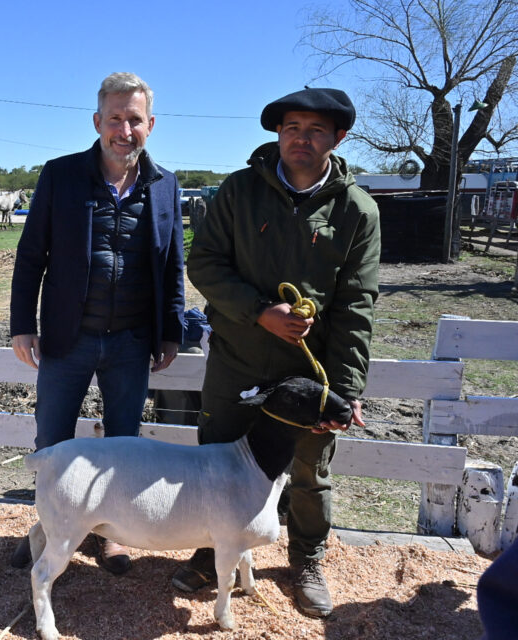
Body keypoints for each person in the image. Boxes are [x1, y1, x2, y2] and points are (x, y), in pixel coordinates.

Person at [178, 88, 381, 617]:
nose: (301, 138)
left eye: (315, 130)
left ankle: (306, 559)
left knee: (309, 471)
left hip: (305, 370)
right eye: (292, 127)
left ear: (338, 137)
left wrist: (346, 387)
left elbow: (357, 304)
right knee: (218, 459)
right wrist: (259, 311)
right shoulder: (240, 192)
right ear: (277, 133)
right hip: (237, 358)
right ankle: (210, 548)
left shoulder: (357, 210)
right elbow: (204, 264)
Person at [10, 72, 185, 573]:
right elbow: (30, 256)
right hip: (68, 338)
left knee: (124, 446)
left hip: (132, 341)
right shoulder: (61, 175)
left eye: (135, 120)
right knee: (52, 444)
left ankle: (113, 535)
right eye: (115, 119)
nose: (124, 130)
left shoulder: (166, 186)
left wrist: (170, 330)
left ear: (150, 124)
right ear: (97, 121)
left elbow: (173, 263)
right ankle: (46, 529)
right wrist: (23, 323)